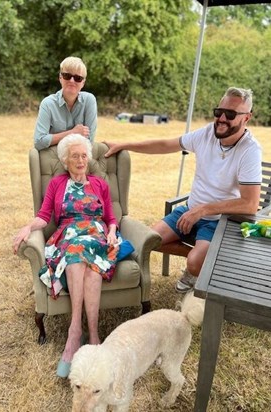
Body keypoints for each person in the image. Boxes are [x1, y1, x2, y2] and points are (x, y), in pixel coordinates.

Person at [104, 87, 262, 293]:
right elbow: (165, 145)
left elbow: (250, 204)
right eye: (218, 112)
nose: (222, 118)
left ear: (246, 118)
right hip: (190, 210)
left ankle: (197, 264)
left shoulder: (249, 150)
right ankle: (203, 257)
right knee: (148, 240)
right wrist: (124, 144)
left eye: (230, 114)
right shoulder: (207, 134)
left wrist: (203, 210)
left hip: (220, 221)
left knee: (195, 264)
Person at [13, 134, 119, 378]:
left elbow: (110, 218)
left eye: (84, 156)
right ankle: (79, 332)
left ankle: (86, 334)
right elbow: (43, 215)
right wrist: (28, 228)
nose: (81, 160)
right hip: (68, 235)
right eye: (75, 156)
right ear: (64, 161)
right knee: (80, 258)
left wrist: (112, 232)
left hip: (96, 234)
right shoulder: (56, 184)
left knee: (88, 262)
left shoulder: (100, 184)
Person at [34, 56, 97, 151]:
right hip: (54, 157)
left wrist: (54, 138)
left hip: (79, 159)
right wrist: (72, 132)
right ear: (60, 78)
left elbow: (88, 142)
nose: (72, 80)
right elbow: (38, 142)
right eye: (67, 76)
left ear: (83, 83)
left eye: (77, 78)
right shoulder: (47, 104)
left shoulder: (89, 100)